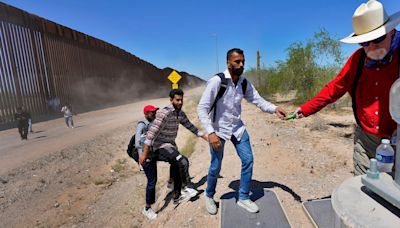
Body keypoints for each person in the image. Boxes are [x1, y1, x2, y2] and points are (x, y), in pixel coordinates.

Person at [293, 0, 400, 176]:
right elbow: (334, 88)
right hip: (366, 141)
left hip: (398, 142)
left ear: (391, 31)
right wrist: (305, 109)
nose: (371, 47)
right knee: (364, 189)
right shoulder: (357, 61)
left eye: (377, 39)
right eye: (364, 42)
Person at [197, 48, 287, 215]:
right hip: (218, 130)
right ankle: (209, 195)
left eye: (243, 61)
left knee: (248, 160)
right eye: (237, 61)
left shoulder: (244, 83)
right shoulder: (217, 81)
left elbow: (258, 100)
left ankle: (243, 197)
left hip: (237, 128)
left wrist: (275, 109)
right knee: (215, 166)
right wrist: (210, 132)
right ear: (228, 62)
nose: (241, 64)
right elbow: (202, 109)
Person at [139, 89, 208, 219]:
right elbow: (150, 135)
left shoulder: (180, 114)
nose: (180, 102)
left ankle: (177, 195)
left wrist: (206, 137)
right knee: (154, 180)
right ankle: (148, 208)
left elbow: (191, 127)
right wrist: (143, 155)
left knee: (177, 163)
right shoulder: (164, 113)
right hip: (156, 147)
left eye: (181, 99)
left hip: (168, 146)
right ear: (171, 100)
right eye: (177, 100)